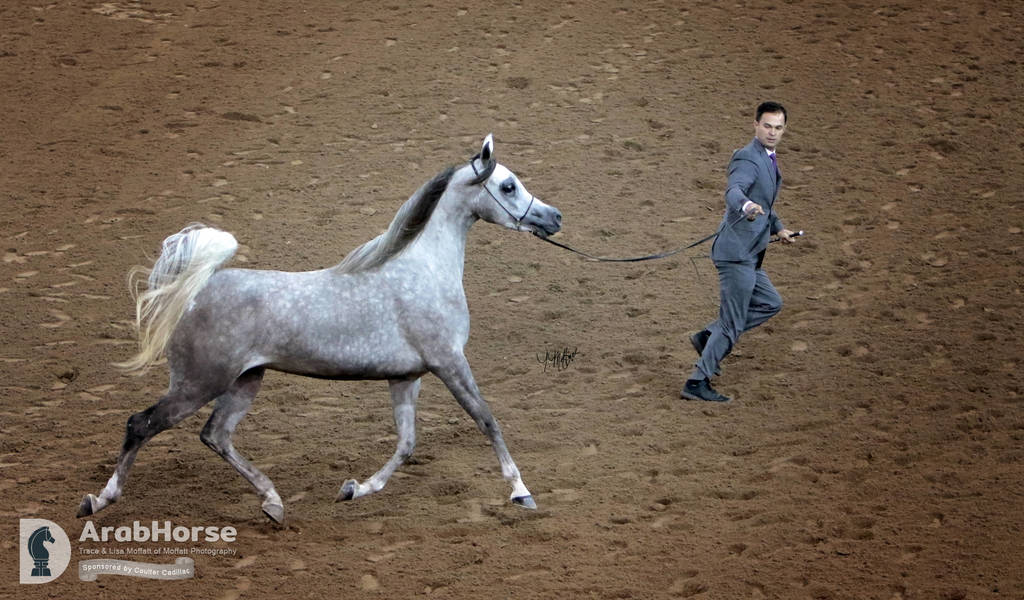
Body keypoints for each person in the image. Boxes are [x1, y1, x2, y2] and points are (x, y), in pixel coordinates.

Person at [681, 101, 797, 403]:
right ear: (755, 125)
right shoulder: (748, 158)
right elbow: (735, 191)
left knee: (771, 302)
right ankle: (697, 382)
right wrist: (745, 206)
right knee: (732, 323)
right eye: (767, 126)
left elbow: (766, 204)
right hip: (736, 255)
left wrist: (779, 229)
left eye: (778, 128)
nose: (772, 133)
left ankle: (708, 335)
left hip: (751, 253)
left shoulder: (768, 158)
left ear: (784, 130)